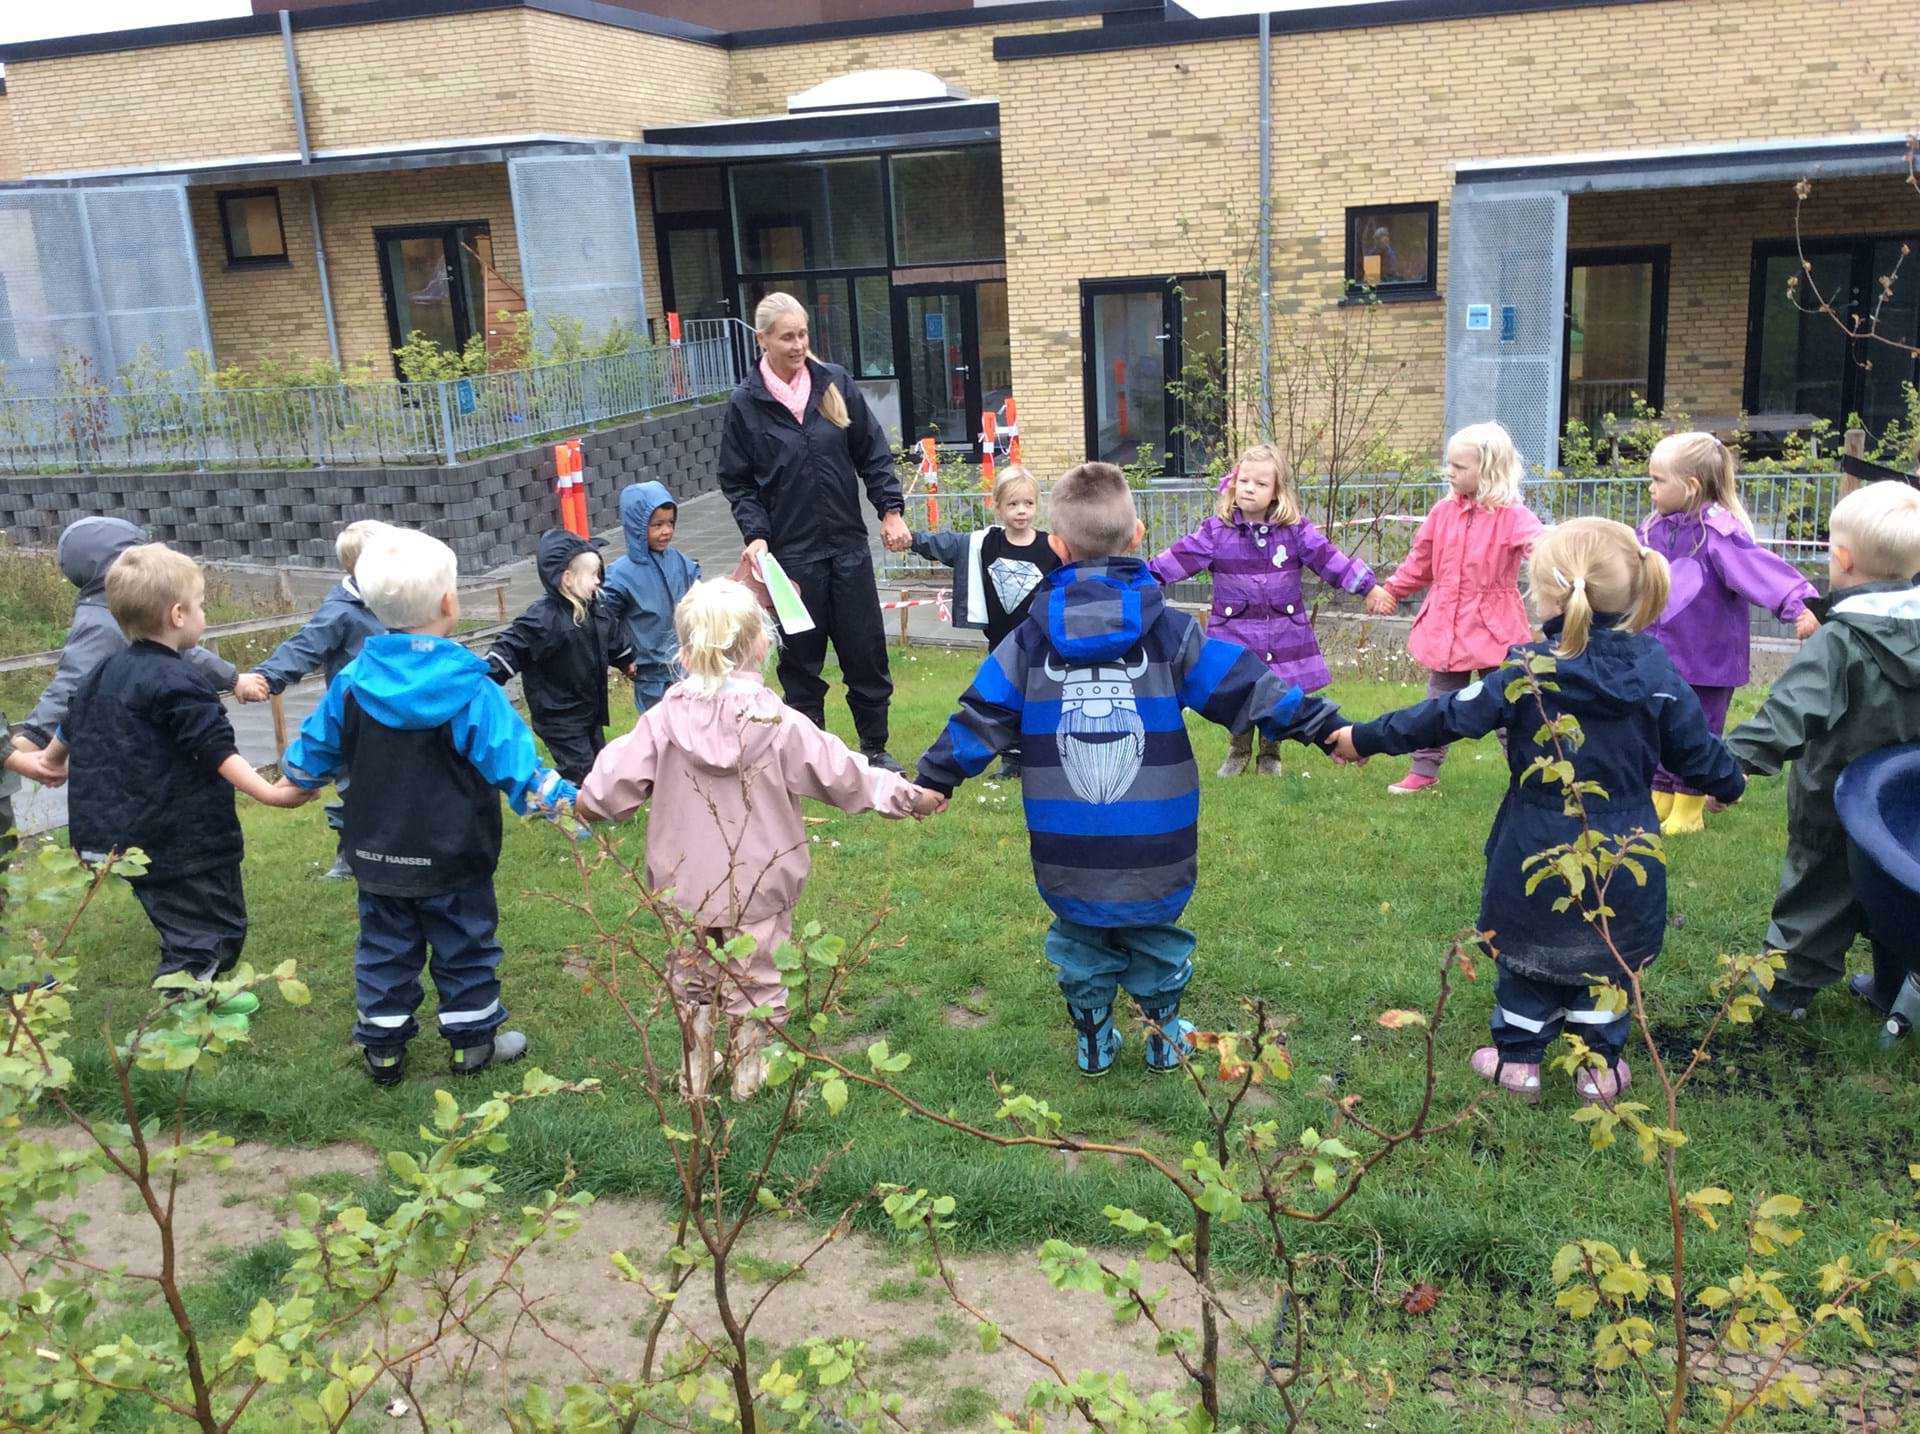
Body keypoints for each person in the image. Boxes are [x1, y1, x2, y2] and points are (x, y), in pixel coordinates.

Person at [915, 461, 1342, 1078]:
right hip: (1156, 837)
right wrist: (1323, 726)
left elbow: (982, 715)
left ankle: (1094, 1040)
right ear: (1138, 537)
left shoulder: (1030, 640)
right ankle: (1163, 1037)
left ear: (1056, 547)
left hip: (1067, 840)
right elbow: (1245, 687)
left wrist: (933, 779)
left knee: (1080, 939)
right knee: (1157, 934)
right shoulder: (1170, 632)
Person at [1331, 518, 1744, 1103]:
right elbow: (1697, 750)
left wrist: (1363, 737)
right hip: (1627, 849)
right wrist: (1730, 782)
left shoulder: (1524, 671)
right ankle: (1598, 1069)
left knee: (1525, 950)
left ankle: (1517, 1062)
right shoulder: (1656, 673)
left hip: (1533, 843)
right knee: (1611, 953)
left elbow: (1444, 715)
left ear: (1548, 593)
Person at [578, 578, 942, 1100]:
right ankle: (749, 1077)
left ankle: (696, 1075)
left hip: (684, 890)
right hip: (762, 887)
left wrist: (583, 804)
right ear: (761, 643)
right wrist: (908, 796)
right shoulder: (779, 722)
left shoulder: (661, 722)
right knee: (760, 978)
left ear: (683, 652)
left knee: (693, 978)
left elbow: (610, 786)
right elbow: (845, 775)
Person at [280, 528, 576, 1086]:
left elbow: (310, 753)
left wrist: (293, 780)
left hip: (376, 852)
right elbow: (514, 762)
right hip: (455, 853)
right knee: (465, 946)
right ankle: (473, 1044)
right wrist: (566, 804)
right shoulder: (469, 686)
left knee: (385, 949)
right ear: (448, 602)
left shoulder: (351, 683)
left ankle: (384, 1051)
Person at [35, 545, 312, 986]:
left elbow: (73, 722)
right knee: (215, 929)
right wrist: (271, 793)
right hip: (183, 838)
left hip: (120, 837)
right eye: (201, 605)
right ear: (179, 614)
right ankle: (182, 1011)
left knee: (181, 919)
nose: (204, 613)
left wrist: (49, 761)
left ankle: (195, 986)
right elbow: (216, 749)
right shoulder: (181, 681)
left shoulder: (103, 670)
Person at [1724, 481, 1920, 1022]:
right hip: (1909, 803)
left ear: (1843, 559)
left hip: (1835, 797)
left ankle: (1786, 996)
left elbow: (1792, 710)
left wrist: (1730, 764)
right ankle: (1894, 987)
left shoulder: (1842, 640)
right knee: (1900, 888)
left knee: (1818, 893)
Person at [718, 290, 909, 774]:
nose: (799, 344)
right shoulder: (747, 404)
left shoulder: (833, 383)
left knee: (865, 653)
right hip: (791, 557)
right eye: (787, 336)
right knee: (800, 664)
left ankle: (876, 749)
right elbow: (737, 480)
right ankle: (809, 760)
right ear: (762, 339)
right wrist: (755, 533)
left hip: (847, 548)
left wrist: (890, 509)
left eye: (803, 333)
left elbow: (873, 451)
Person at [1148, 442, 1382, 778]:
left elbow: (1330, 560)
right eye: (1244, 481)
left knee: (1279, 690)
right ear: (1233, 484)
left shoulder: (1296, 531)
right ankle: (1238, 750)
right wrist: (1140, 580)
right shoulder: (1216, 531)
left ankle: (1271, 753)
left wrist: (1367, 586)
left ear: (1276, 492)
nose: (1250, 489)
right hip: (1234, 632)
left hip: (1283, 633)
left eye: (1260, 484)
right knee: (1237, 688)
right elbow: (1178, 558)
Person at [1638, 432, 1818, 836]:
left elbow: (1760, 570)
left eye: (1658, 480)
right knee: (1658, 722)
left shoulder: (1718, 533)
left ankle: (1690, 803)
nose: (1650, 488)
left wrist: (1798, 604)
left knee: (1697, 728)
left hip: (1707, 659)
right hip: (1661, 655)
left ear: (1691, 486)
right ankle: (1660, 792)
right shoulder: (1651, 530)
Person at [1364, 421, 1544, 794]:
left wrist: (1566, 565)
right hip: (1447, 626)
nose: (1450, 472)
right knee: (1438, 703)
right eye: (1449, 464)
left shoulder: (1513, 516)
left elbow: (1540, 548)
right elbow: (1421, 561)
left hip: (1496, 629)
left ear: (1490, 469)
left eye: (1459, 466)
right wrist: (1393, 589)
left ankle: (1529, 775)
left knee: (1510, 703)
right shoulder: (1442, 513)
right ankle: (1424, 769)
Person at [234, 519, 392, 879]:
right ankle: (350, 856)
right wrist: (267, 677)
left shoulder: (396, 600)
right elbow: (304, 646)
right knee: (356, 786)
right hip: (357, 717)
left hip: (399, 712)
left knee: (397, 783)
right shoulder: (342, 611)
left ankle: (401, 845)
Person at [13, 516, 236, 754]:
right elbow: (72, 686)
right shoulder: (100, 624)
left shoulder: (126, 614)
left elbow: (178, 649)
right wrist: (35, 737)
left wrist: (232, 677)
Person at [908, 465, 1062, 779]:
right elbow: (945, 546)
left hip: (1043, 643)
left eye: (1028, 504)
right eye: (1013, 504)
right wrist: (910, 538)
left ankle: (1045, 753)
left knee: (1041, 698)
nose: (1022, 511)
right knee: (1003, 698)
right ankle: (1012, 759)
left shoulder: (1053, 547)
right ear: (997, 507)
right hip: (1002, 644)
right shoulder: (983, 544)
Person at [487, 530, 634, 784]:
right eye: (592, 575)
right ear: (568, 579)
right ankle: (555, 799)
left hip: (588, 707)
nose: (599, 581)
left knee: (599, 762)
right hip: (558, 714)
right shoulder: (543, 618)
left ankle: (586, 802)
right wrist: (489, 672)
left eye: (599, 574)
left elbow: (612, 639)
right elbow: (513, 644)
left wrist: (627, 662)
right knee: (580, 768)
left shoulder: (596, 610)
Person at [600, 482, 699, 715]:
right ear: (637, 526)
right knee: (658, 733)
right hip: (649, 675)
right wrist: (621, 657)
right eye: (657, 525)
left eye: (670, 523)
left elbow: (698, 598)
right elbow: (604, 620)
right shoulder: (622, 575)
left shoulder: (680, 562)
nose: (666, 531)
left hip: (685, 666)